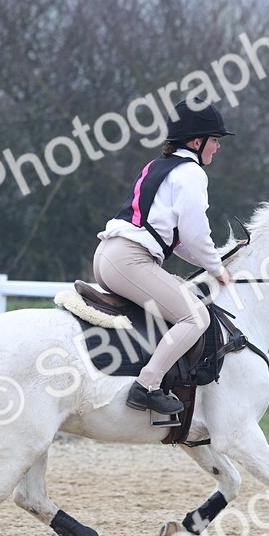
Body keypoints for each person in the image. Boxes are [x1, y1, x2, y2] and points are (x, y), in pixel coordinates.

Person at [93, 100, 234, 415]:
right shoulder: (191, 173)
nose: (217, 147)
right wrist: (216, 268)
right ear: (196, 142)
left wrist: (213, 261)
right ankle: (146, 386)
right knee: (196, 317)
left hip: (109, 256)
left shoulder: (157, 165)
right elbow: (196, 234)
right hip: (130, 260)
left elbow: (178, 241)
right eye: (215, 140)